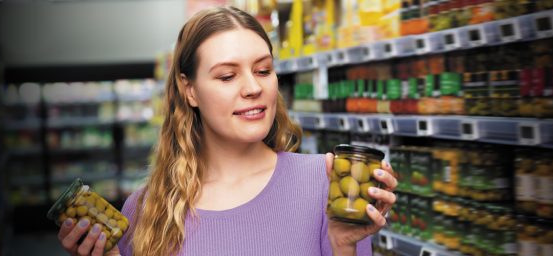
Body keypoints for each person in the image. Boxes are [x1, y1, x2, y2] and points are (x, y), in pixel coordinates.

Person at [56, 6, 397, 256]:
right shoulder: (146, 209)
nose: (253, 88)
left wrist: (343, 246)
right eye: (227, 76)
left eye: (263, 70)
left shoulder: (324, 183)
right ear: (190, 90)